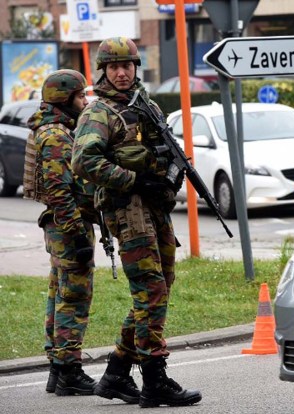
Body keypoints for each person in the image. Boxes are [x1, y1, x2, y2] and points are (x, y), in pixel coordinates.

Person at [71, 36, 200, 408]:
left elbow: (163, 149)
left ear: (135, 68)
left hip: (154, 208)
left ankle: (115, 371)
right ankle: (154, 379)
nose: (122, 72)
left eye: (127, 65)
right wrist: (132, 180)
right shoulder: (99, 113)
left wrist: (167, 174)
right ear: (104, 71)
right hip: (126, 211)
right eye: (114, 67)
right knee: (151, 291)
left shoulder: (148, 106)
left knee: (162, 286)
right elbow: (83, 162)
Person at [24, 69, 97, 396]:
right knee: (74, 297)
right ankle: (69, 369)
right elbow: (59, 190)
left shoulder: (55, 128)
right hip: (67, 225)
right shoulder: (55, 135)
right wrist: (78, 233)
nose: (85, 101)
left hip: (60, 225)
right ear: (64, 98)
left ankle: (58, 367)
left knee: (59, 292)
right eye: (80, 96)